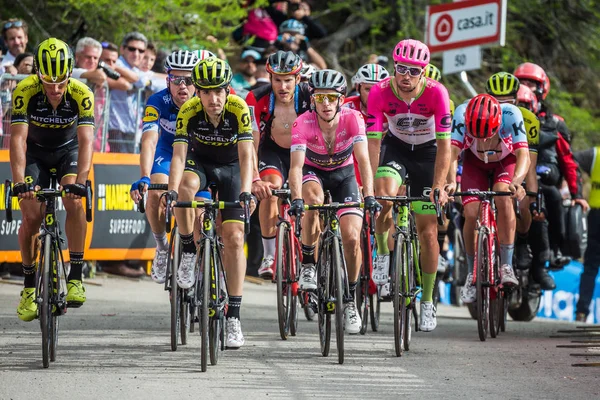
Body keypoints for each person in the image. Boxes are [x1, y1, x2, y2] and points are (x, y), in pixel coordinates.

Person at [166, 56, 255, 348]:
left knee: (234, 236)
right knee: (185, 188)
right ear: (198, 92)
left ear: (227, 90)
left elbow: (246, 155)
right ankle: (189, 250)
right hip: (199, 163)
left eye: (219, 91)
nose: (213, 98)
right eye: (206, 92)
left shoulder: (238, 108)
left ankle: (234, 318)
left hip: (231, 168)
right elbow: (178, 156)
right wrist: (170, 191)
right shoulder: (189, 111)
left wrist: (245, 190)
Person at [367, 39, 451, 332]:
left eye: (414, 71)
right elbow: (374, 142)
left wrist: (439, 185)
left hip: (428, 154)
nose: (406, 76)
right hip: (396, 149)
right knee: (384, 198)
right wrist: (374, 181)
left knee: (429, 232)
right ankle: (382, 253)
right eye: (401, 68)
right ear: (394, 67)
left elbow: (444, 147)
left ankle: (427, 301)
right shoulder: (379, 92)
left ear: (424, 72)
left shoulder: (437, 93)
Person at [288, 69, 379, 334]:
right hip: (313, 172)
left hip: (344, 175)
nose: (325, 103)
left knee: (351, 237)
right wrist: (296, 199)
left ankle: (350, 298)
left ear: (341, 99)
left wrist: (370, 195)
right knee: (313, 201)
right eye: (319, 98)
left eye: (331, 97)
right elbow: (295, 168)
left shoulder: (354, 119)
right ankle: (307, 264)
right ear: (312, 100)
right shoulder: (302, 123)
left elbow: (363, 161)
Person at [11, 38, 95, 321]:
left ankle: (75, 276)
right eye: (49, 82)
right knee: (31, 215)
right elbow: (18, 140)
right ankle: (28, 286)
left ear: (70, 73)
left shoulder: (82, 94)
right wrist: (19, 182)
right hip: (35, 153)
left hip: (67, 151)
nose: (56, 89)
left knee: (74, 202)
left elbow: (86, 142)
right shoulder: (25, 91)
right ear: (38, 74)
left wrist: (80, 182)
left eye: (61, 82)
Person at [129, 50, 209, 283]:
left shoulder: (203, 102)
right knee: (155, 191)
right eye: (176, 80)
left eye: (188, 80)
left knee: (200, 214)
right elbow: (149, 140)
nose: (182, 86)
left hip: (197, 155)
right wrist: (144, 176)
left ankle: (198, 263)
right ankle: (162, 247)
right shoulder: (157, 101)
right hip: (167, 150)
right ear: (167, 80)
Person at [447, 94, 530, 303]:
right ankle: (470, 272)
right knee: (470, 211)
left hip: (505, 160)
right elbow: (452, 154)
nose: (483, 140)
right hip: (475, 163)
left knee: (504, 196)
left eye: (488, 135)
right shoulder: (460, 114)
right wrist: (450, 182)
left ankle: (507, 265)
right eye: (477, 135)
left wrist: (518, 182)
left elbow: (523, 155)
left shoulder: (512, 115)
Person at [514, 62, 586, 289]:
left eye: (531, 84)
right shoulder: (504, 115)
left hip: (544, 175)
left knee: (552, 196)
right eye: (521, 83)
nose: (525, 87)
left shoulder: (555, 123)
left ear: (541, 88)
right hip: (510, 175)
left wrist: (577, 193)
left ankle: (550, 253)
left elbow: (568, 159)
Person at [246, 50, 312, 279]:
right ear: (270, 78)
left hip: (307, 153)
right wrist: (254, 178)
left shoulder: (309, 96)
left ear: (298, 78)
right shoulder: (256, 98)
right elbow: (251, 145)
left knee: (314, 195)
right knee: (269, 188)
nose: (283, 87)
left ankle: (313, 255)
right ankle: (269, 254)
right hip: (273, 152)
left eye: (288, 80)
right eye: (277, 80)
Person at [485, 72, 540, 270]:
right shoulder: (479, 111)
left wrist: (532, 198)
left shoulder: (528, 119)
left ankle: (523, 242)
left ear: (516, 100)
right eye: (496, 101)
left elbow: (529, 162)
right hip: (486, 163)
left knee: (525, 205)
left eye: (507, 101)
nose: (502, 106)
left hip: (516, 165)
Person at [107, 32, 152, 153]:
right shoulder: (117, 63)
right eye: (132, 49)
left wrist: (120, 71)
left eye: (141, 51)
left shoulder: (135, 69)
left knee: (131, 168)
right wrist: (118, 69)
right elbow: (137, 81)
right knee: (117, 167)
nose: (136, 54)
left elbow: (142, 80)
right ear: (122, 49)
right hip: (116, 127)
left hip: (132, 127)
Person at [573, 147, 599, 322]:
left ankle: (581, 313)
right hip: (596, 216)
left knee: (590, 267)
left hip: (597, 217)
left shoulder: (595, 154)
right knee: (589, 267)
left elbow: (570, 160)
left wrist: (578, 187)